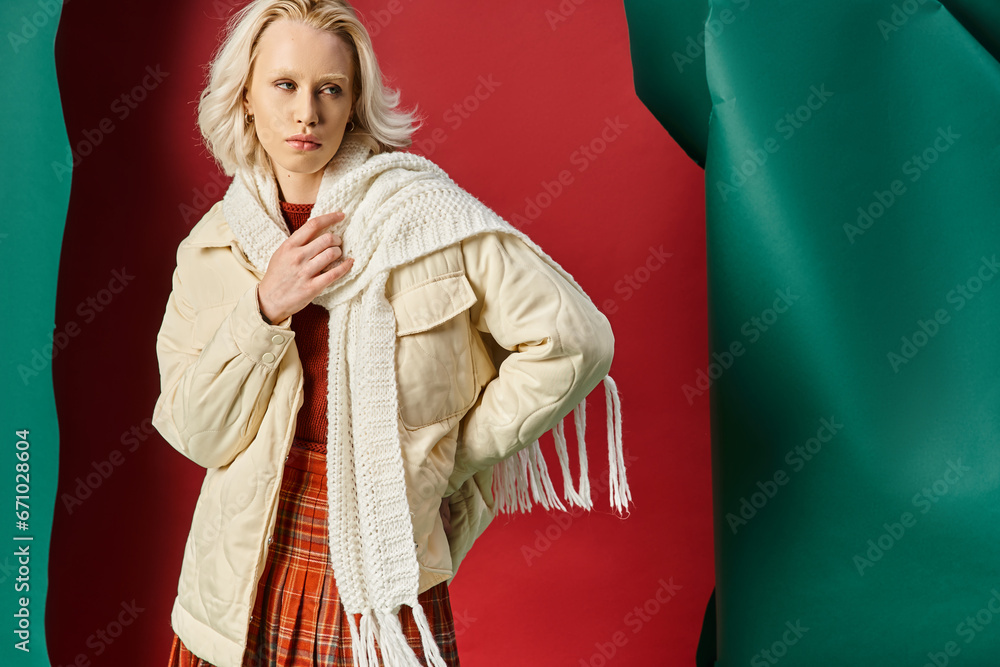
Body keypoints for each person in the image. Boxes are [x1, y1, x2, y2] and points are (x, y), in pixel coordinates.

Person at [152, 1, 629, 665]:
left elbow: (577, 340)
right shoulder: (212, 248)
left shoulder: (424, 217)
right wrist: (264, 308)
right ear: (246, 96)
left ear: (354, 104)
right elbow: (197, 432)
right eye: (285, 85)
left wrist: (444, 460)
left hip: (379, 561)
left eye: (331, 89)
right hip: (232, 590)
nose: (307, 113)